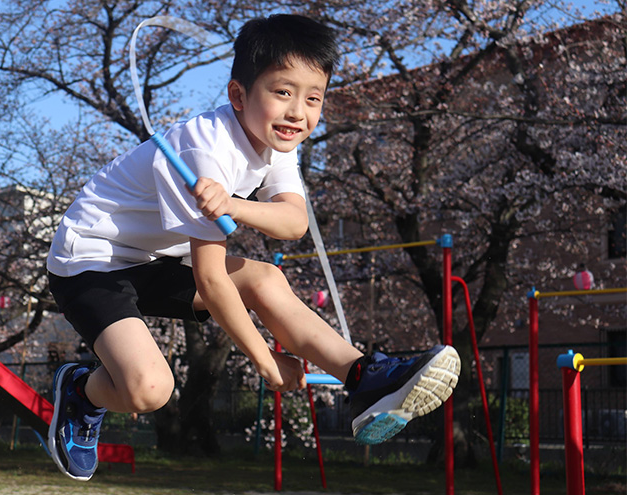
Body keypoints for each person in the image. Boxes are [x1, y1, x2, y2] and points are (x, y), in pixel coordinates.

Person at [45, 14, 460, 481]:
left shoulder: (279, 143)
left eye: (313, 98)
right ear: (239, 95)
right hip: (91, 260)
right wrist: (265, 361)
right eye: (283, 92)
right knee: (149, 390)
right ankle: (82, 390)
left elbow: (294, 222)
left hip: (153, 257)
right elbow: (211, 280)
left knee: (267, 278)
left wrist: (235, 208)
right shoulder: (205, 152)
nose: (297, 112)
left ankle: (363, 378)